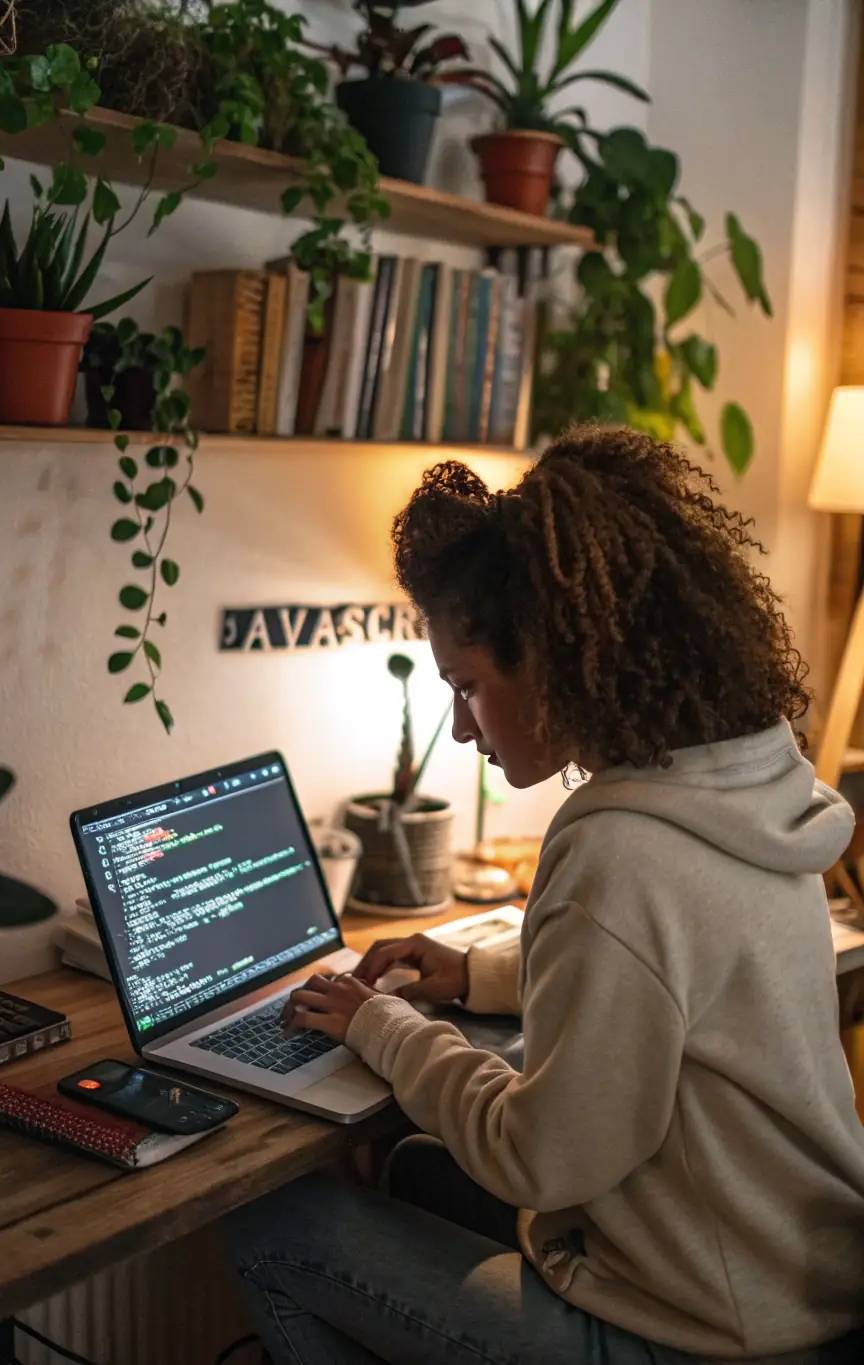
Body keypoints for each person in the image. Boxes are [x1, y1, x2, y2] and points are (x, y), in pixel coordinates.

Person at [224, 427, 864, 1364]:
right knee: (419, 1171)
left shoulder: (618, 852)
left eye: (470, 686)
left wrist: (386, 1028)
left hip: (705, 1338)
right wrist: (477, 975)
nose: (459, 726)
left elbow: (540, 1157)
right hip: (799, 1282)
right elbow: (669, 982)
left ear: (559, 659)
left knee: (275, 1227)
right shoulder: (745, 791)